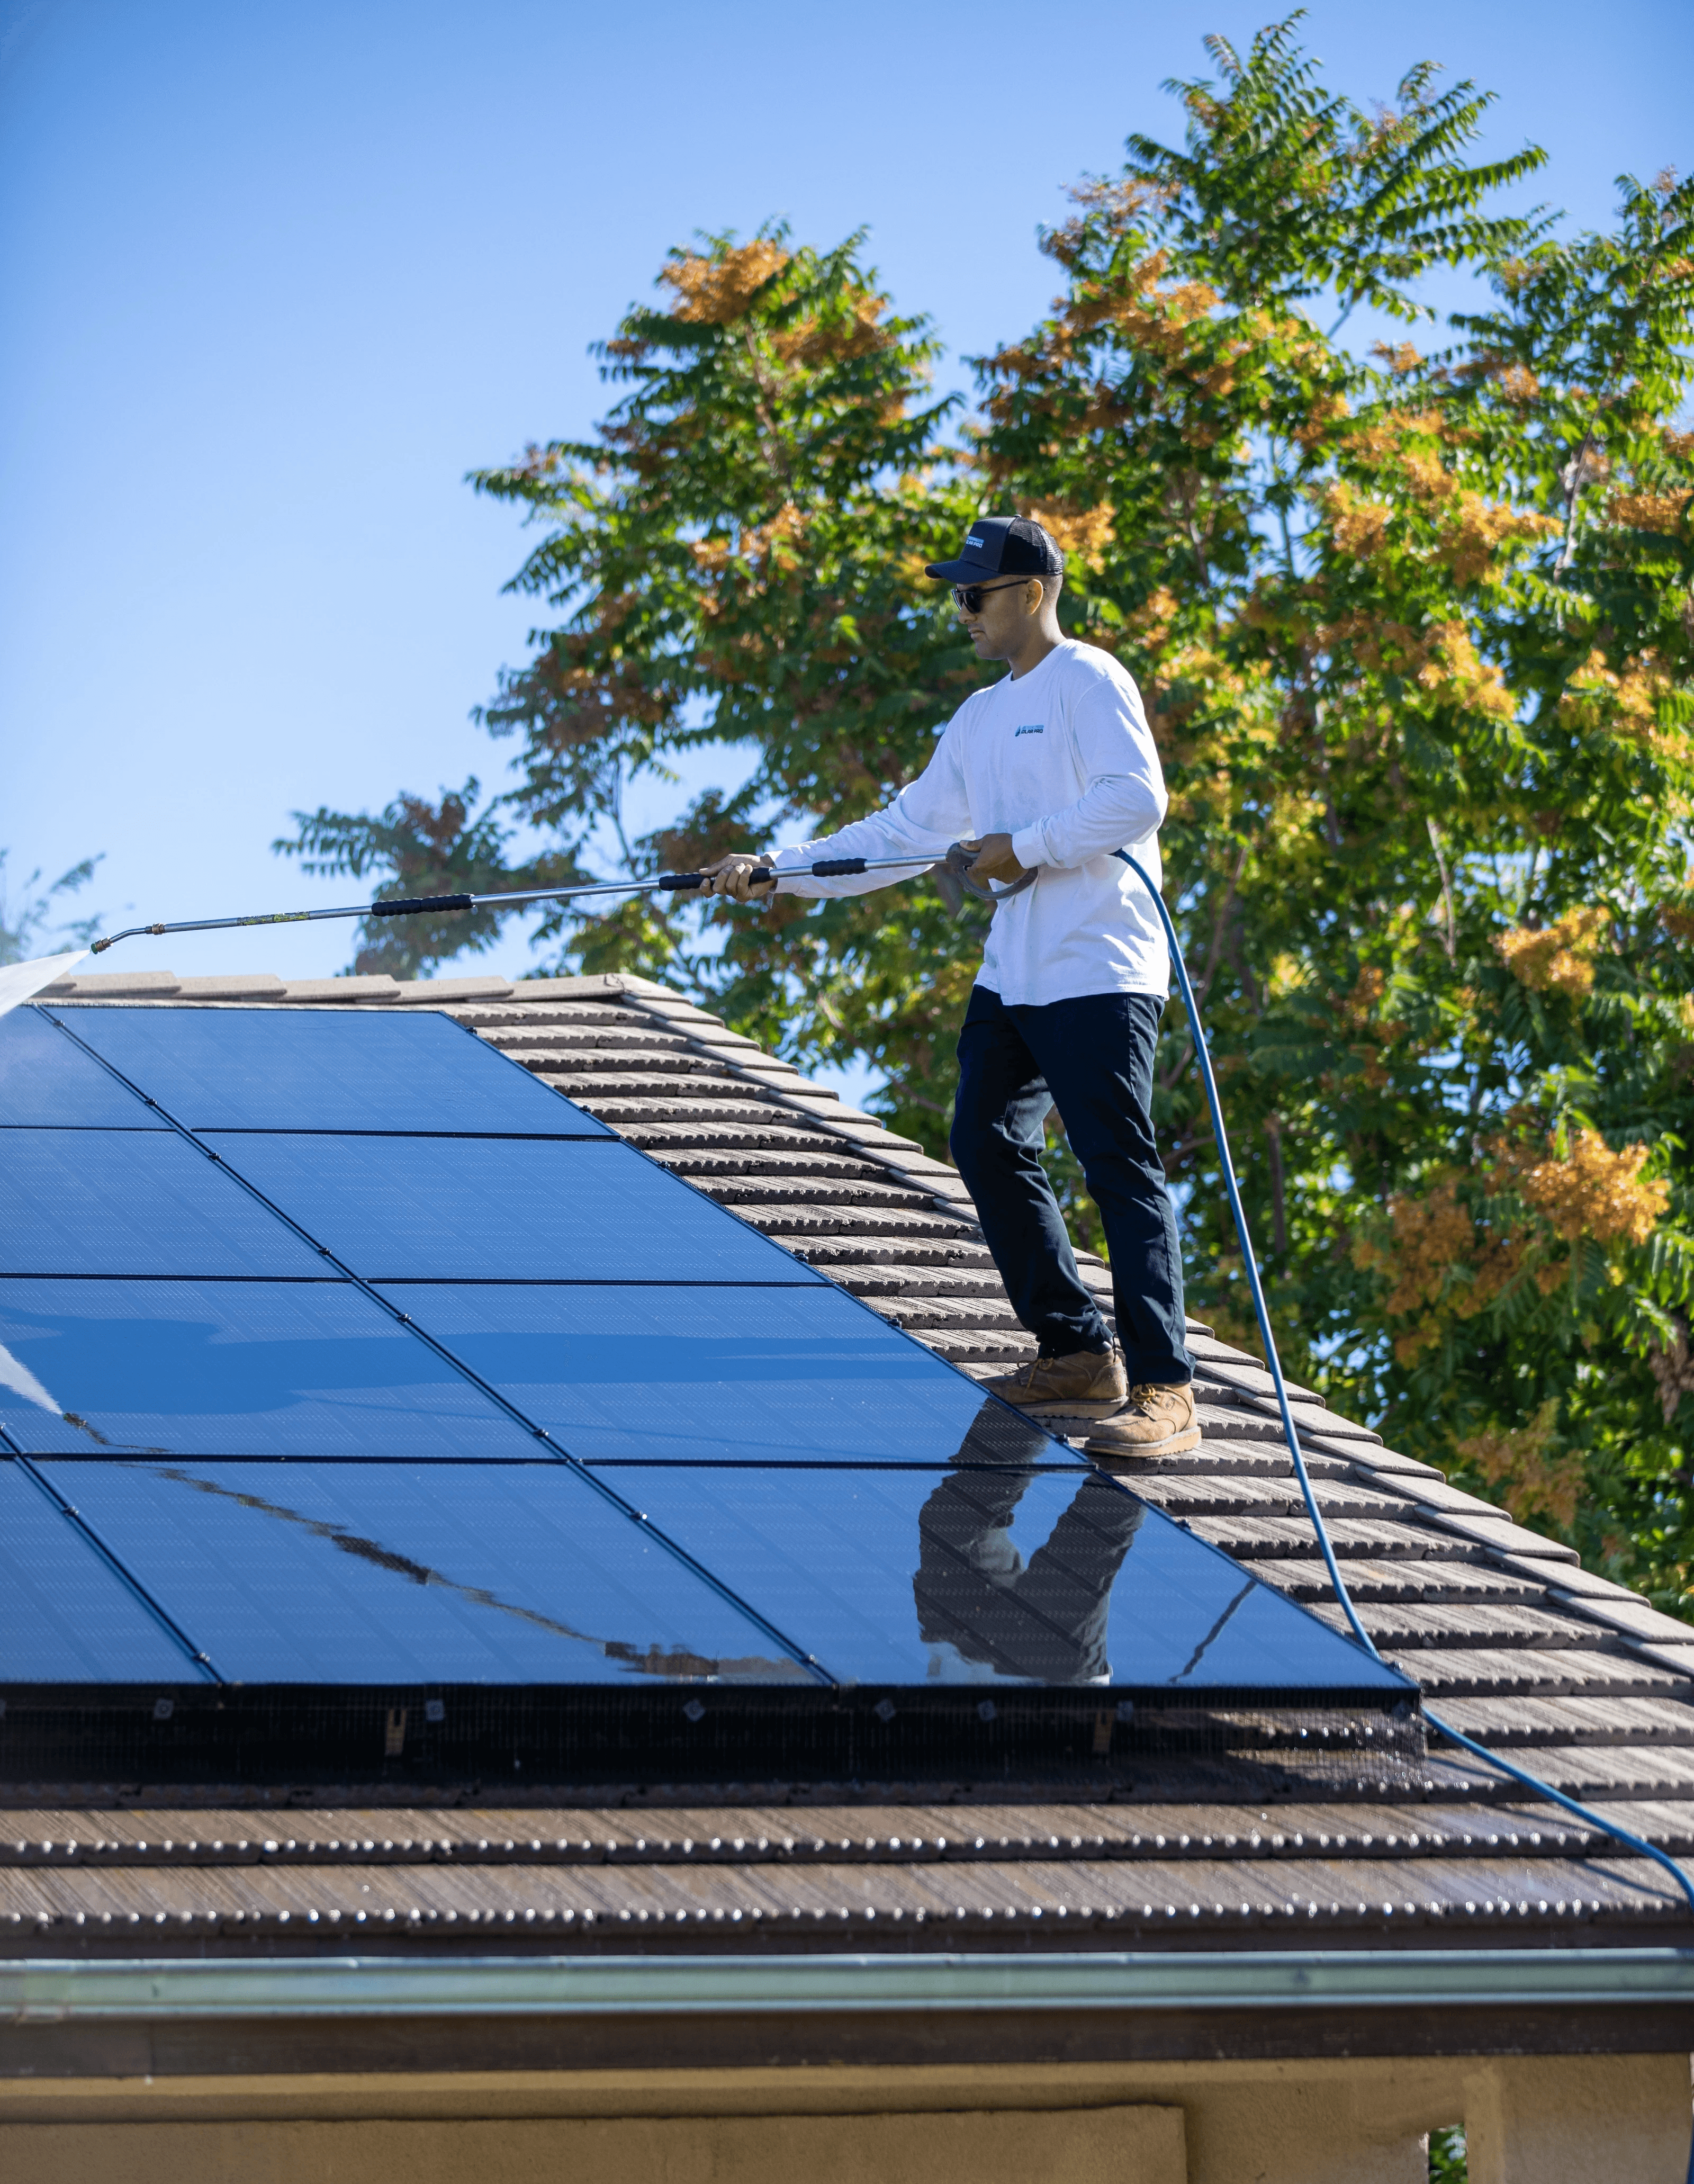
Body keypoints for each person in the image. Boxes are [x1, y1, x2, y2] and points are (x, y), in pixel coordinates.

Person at [695, 514, 1197, 1461]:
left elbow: (1139, 797)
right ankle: (1078, 1354)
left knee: (1116, 1167)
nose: (961, 610)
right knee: (983, 1139)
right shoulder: (978, 718)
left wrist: (1028, 843)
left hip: (1100, 965)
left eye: (975, 594)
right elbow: (901, 835)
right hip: (1016, 971)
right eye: (958, 594)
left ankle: (1165, 1388)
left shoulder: (1090, 678)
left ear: (1032, 595)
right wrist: (780, 868)